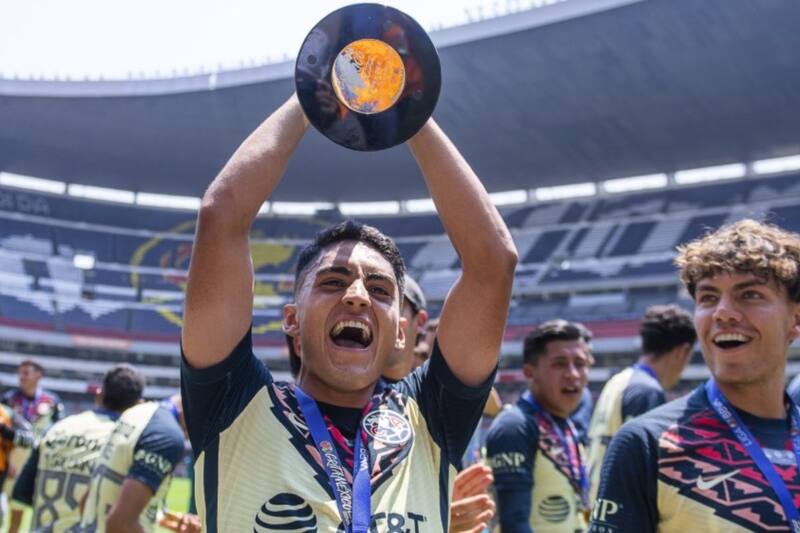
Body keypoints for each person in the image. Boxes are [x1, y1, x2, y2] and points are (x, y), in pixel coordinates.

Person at [180, 94, 517, 530]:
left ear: (402, 332)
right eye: (332, 282)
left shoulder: (429, 419)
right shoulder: (234, 404)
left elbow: (493, 262)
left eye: (379, 289)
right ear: (291, 320)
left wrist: (409, 109)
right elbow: (221, 215)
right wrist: (311, 94)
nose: (357, 296)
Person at [590, 219, 800, 532]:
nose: (722, 313)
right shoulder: (646, 443)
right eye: (708, 298)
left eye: (749, 295)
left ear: (795, 320)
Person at [10, 364, 145, 532]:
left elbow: (21, 493)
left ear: (99, 395)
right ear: (139, 405)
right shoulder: (127, 441)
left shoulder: (57, 429)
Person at [486, 319, 592, 533]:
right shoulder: (515, 427)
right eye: (560, 364)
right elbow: (514, 524)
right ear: (529, 372)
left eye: (580, 364)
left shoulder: (565, 425)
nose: (573, 374)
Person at [585, 304, 695, 504]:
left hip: (597, 502)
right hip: (619, 506)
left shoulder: (618, 381)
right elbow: (640, 465)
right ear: (683, 351)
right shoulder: (647, 392)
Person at [79, 394, 186, 532]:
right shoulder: (167, 435)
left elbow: (88, 498)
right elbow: (121, 524)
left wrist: (159, 518)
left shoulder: (136, 412)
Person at [2, 360, 63, 532]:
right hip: (14, 461)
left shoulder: (52, 401)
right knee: (14, 509)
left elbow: (59, 429)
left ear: (39, 375)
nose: (22, 377)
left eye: (26, 373)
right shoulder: (9, 399)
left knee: (42, 511)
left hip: (41, 462)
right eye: (20, 373)